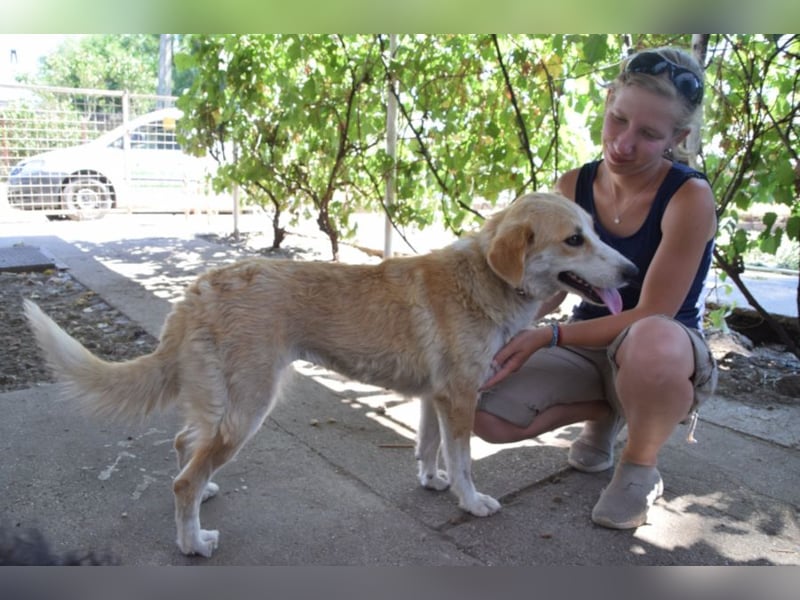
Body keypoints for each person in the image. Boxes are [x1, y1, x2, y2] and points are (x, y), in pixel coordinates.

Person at [474, 47, 718, 529]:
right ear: (608, 100)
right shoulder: (573, 185)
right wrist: (497, 328)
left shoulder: (689, 197)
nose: (623, 144)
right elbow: (554, 285)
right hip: (588, 347)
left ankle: (639, 466)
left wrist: (548, 336)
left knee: (650, 338)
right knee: (480, 406)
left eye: (648, 134)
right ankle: (613, 413)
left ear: (679, 137)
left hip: (664, 352)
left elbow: (656, 310)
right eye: (618, 120)